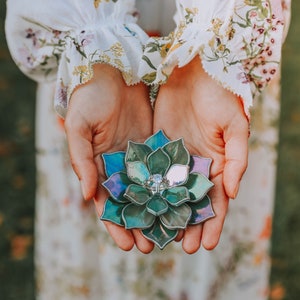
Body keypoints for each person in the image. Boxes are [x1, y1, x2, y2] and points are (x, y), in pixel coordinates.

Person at [5, 0, 291, 299]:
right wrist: (99, 57)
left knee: (223, 162)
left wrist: (213, 56)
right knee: (90, 157)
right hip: (92, 58)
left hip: (220, 69)